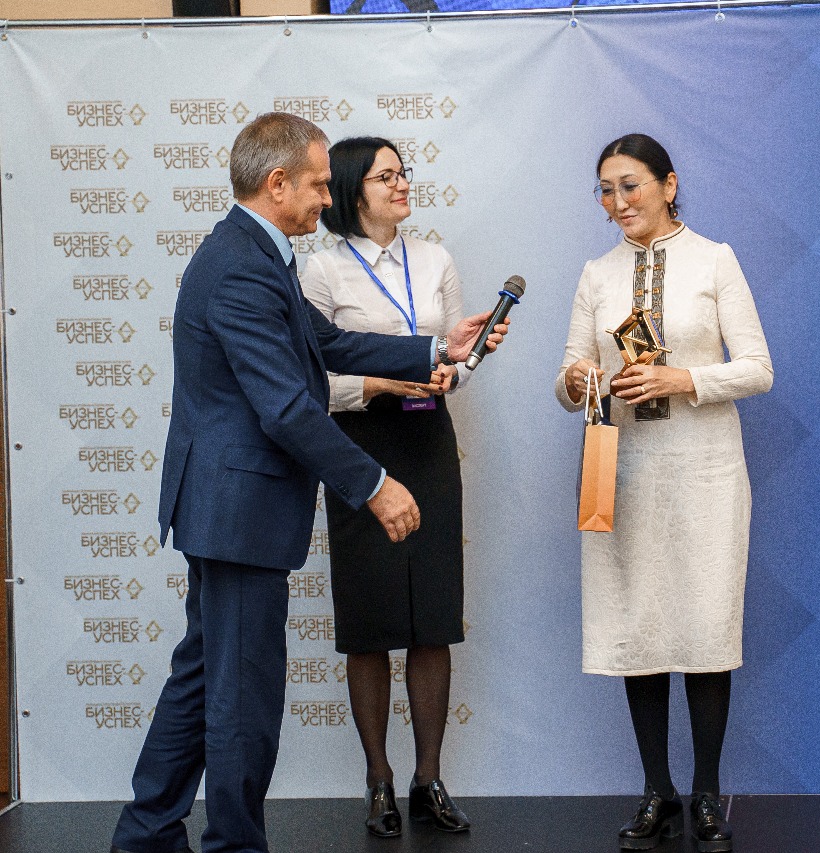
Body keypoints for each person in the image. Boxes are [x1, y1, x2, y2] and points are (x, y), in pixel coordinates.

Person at [110, 112, 506, 853]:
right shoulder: (239, 265)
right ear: (277, 183)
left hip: (233, 512)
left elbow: (322, 342)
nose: (329, 198)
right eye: (320, 185)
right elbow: (288, 405)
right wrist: (374, 484)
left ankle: (145, 836)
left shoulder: (260, 252)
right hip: (237, 515)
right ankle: (232, 845)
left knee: (202, 680)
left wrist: (434, 348)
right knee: (242, 700)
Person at [555, 133, 772, 853]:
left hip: (705, 469)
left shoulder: (715, 260)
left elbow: (758, 368)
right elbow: (567, 376)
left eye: (631, 185)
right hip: (626, 471)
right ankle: (657, 790)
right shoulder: (597, 274)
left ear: (669, 185)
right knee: (638, 626)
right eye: (605, 190)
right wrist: (578, 380)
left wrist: (683, 379)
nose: (618, 202)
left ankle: (707, 792)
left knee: (705, 625)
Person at [299, 136, 470, 838]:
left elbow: (456, 352)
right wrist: (378, 383)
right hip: (359, 447)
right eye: (385, 176)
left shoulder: (435, 260)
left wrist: (453, 370)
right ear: (350, 190)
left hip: (428, 441)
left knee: (433, 616)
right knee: (369, 621)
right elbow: (314, 377)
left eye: (404, 173)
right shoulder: (319, 270)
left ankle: (430, 778)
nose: (401, 185)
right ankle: (379, 780)